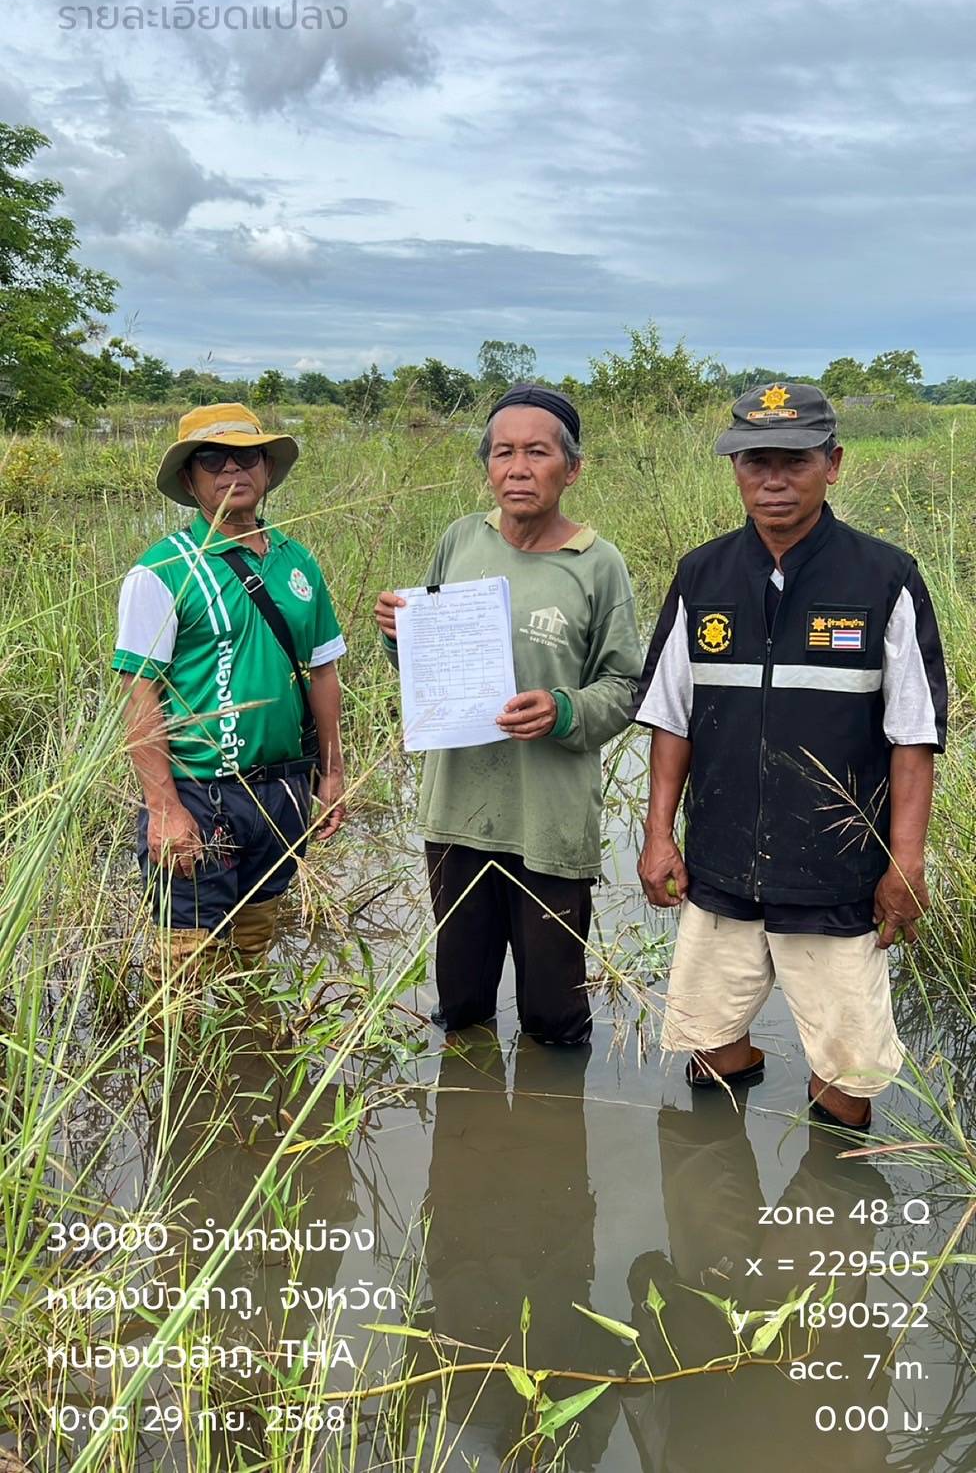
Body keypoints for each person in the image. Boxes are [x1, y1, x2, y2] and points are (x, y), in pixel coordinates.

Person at [633, 382, 948, 1128]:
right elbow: (671, 721)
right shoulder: (701, 576)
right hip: (720, 864)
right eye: (755, 462)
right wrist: (657, 834)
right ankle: (726, 1140)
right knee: (708, 1048)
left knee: (847, 1079)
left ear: (832, 465)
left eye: (794, 462)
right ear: (735, 469)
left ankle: (829, 1179)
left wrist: (905, 863)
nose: (773, 481)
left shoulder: (885, 578)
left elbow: (912, 736)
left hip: (836, 875)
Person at [374, 384, 643, 1046]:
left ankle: (554, 1107)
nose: (518, 468)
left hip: (549, 821)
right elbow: (428, 665)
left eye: (537, 453)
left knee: (555, 1017)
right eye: (503, 452)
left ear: (571, 469)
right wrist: (399, 635)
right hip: (458, 812)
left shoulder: (598, 564)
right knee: (462, 1008)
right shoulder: (462, 540)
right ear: (488, 465)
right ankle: (470, 1110)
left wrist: (563, 710)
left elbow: (627, 688)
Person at [113, 402, 346, 999]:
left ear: (266, 467)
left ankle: (251, 1053)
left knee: (252, 951)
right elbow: (139, 692)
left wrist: (332, 773)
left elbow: (323, 672)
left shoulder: (298, 562)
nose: (232, 470)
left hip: (282, 792)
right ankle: (181, 1059)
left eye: (246, 456)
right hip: (199, 797)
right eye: (212, 459)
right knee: (184, 972)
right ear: (189, 480)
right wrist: (164, 809)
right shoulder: (162, 571)